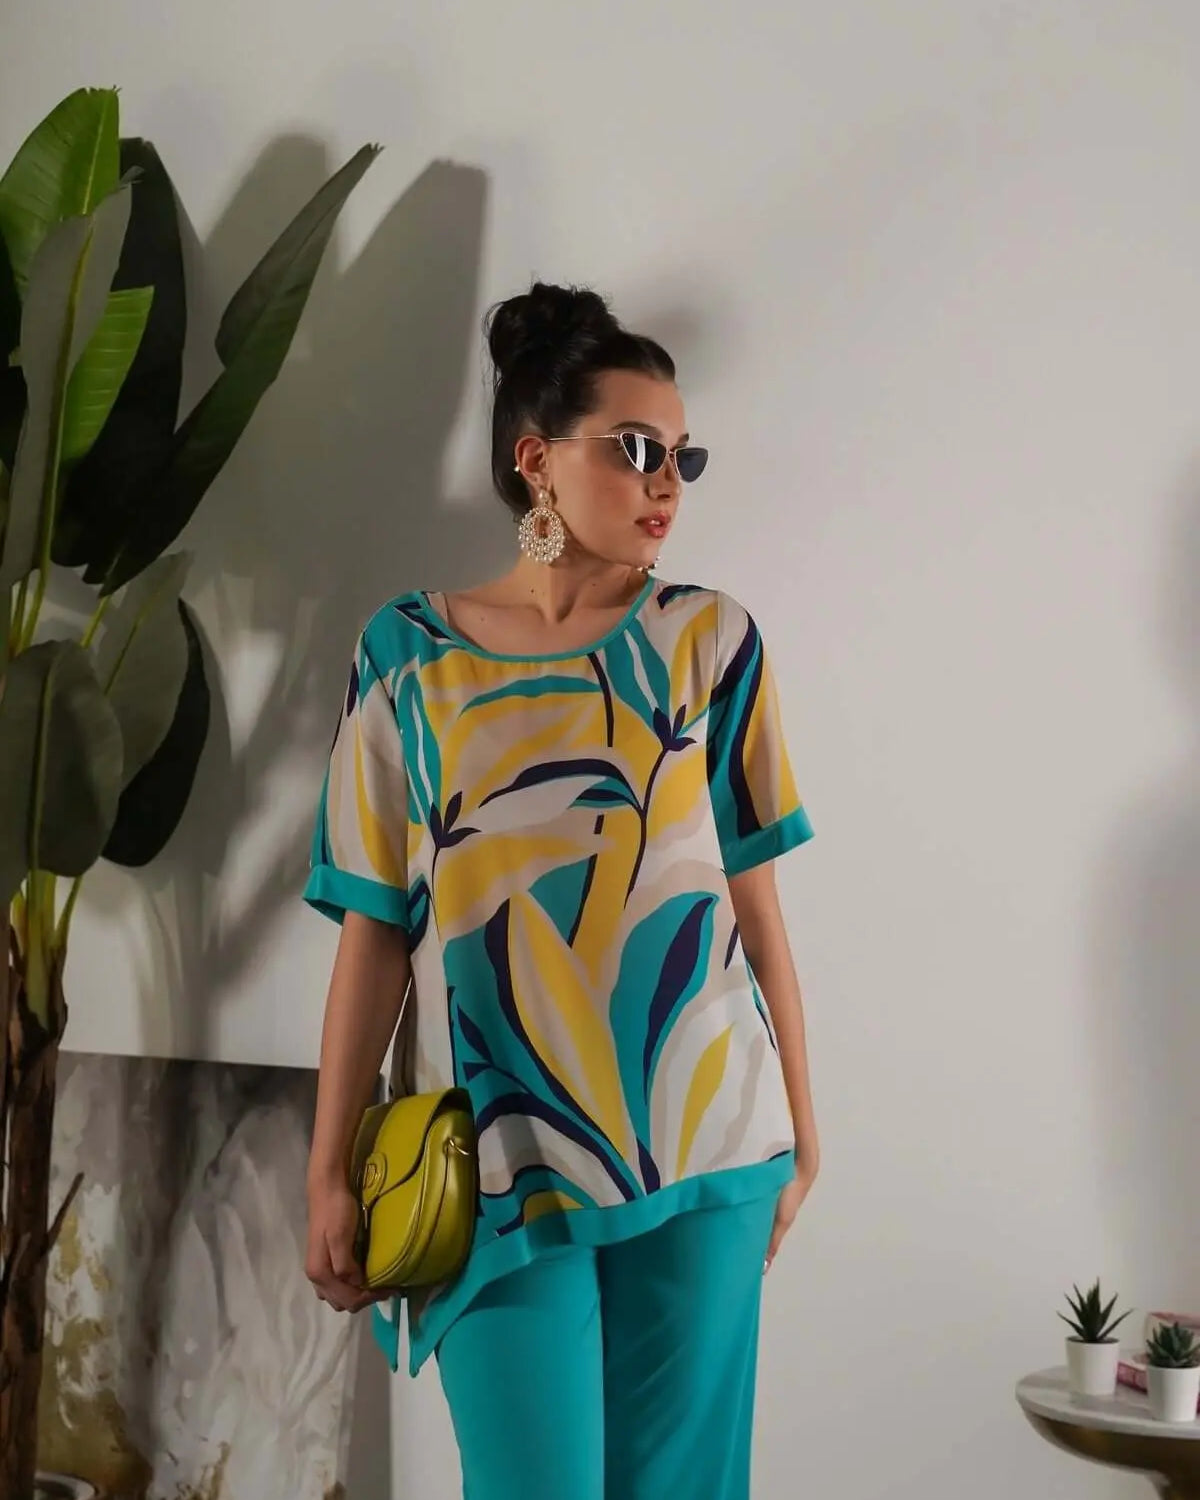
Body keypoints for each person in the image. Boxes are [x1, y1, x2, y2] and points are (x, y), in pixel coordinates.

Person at [302, 281, 820, 1500]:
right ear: (535, 460)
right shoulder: (406, 658)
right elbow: (374, 935)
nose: (667, 483)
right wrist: (328, 1169)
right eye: (636, 449)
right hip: (495, 1165)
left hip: (704, 1150)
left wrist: (804, 1135)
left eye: (683, 456)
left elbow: (756, 914)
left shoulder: (712, 642)